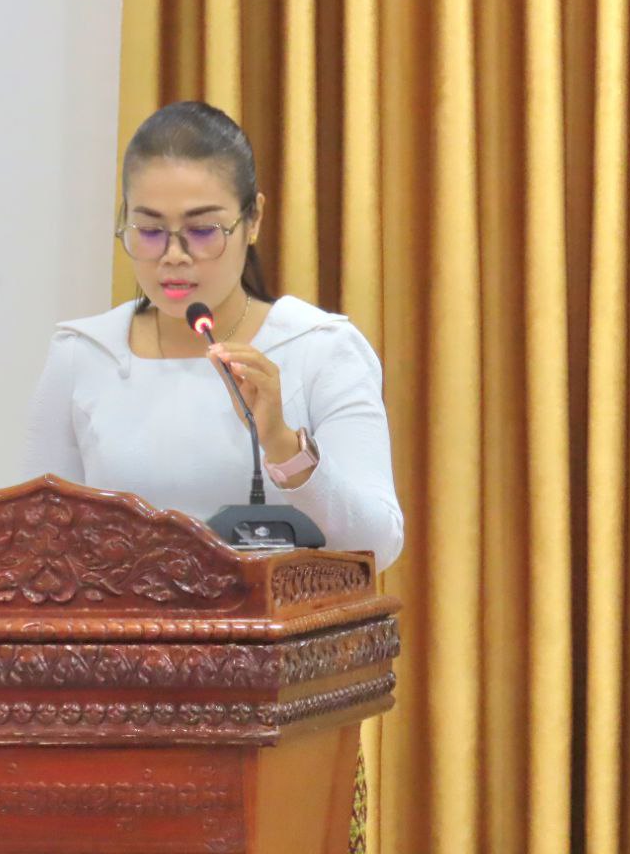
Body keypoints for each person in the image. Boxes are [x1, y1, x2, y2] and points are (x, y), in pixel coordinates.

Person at [23, 100, 404, 571]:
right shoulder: (83, 354)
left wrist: (284, 447)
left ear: (253, 219)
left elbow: (377, 546)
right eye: (150, 229)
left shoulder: (320, 348)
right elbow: (38, 546)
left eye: (202, 230)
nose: (174, 255)